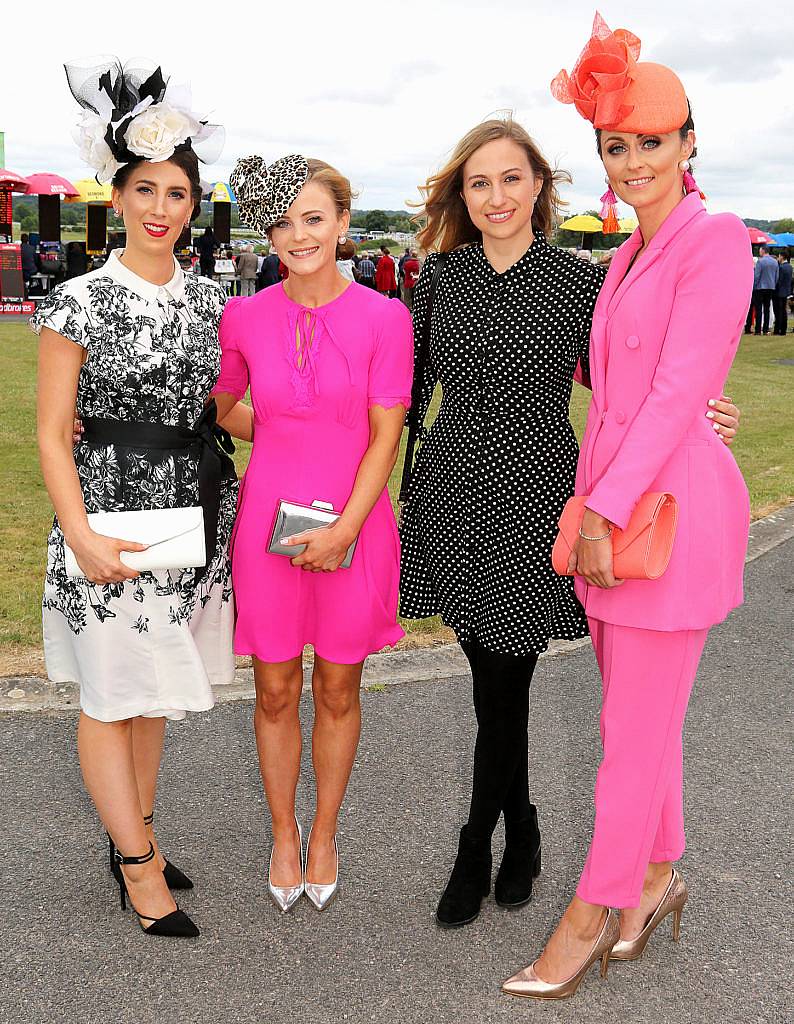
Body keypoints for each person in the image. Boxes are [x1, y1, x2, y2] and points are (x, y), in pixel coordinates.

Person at [399, 113, 740, 933]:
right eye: (479, 182)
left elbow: (634, 381)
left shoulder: (578, 281)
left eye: (511, 178)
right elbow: (400, 394)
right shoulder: (436, 279)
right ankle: (521, 823)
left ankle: (479, 840)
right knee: (489, 679)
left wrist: (702, 411)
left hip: (538, 492)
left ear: (541, 186)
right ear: (463, 194)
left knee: (505, 679)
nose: (496, 196)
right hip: (451, 492)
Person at [502, 14, 753, 999]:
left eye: (652, 139)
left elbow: (675, 385)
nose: (633, 158)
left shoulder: (715, 239)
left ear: (688, 144)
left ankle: (591, 908)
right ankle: (651, 878)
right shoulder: (618, 261)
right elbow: (619, 385)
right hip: (615, 517)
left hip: (662, 522)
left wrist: (606, 505)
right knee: (634, 721)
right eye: (616, 143)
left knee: (627, 734)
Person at [32, 58, 235, 940]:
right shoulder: (76, 300)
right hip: (106, 520)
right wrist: (78, 533)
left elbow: (226, 410)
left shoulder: (213, 301)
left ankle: (133, 836)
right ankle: (140, 867)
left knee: (150, 693)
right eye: (146, 188)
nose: (163, 207)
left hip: (189, 515)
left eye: (178, 192)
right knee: (111, 693)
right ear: (115, 199)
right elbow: (49, 431)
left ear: (195, 204)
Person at [213, 154, 413, 913]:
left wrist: (344, 530)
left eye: (314, 218)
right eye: (285, 221)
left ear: (341, 222)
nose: (299, 235)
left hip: (355, 526)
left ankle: (325, 832)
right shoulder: (245, 314)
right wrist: (286, 433)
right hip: (267, 525)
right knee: (272, 690)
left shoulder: (385, 317)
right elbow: (227, 405)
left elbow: (384, 436)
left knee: (336, 686)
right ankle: (281, 831)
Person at [753, 245, 778, 335]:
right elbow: (776, 276)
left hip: (760, 287)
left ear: (763, 251)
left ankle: (758, 330)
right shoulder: (775, 262)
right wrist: (773, 284)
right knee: (767, 309)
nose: (760, 252)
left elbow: (757, 276)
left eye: (760, 250)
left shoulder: (760, 262)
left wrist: (754, 286)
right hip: (770, 287)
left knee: (759, 309)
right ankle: (766, 329)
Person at [773, 252, 792, 335]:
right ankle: (783, 329)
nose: (778, 258)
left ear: (782, 257)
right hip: (786, 291)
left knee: (778, 311)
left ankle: (777, 329)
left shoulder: (781, 267)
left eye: (779, 256)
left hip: (779, 292)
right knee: (783, 311)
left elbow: (778, 280)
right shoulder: (790, 267)